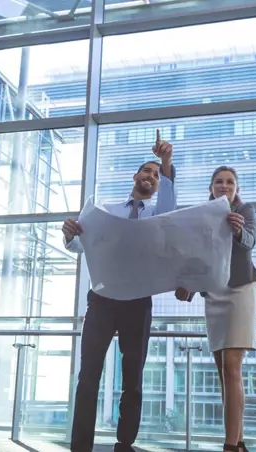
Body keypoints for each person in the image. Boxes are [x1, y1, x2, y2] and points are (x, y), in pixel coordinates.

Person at [63, 130, 177, 452]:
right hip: (102, 300)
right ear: (135, 176)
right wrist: (69, 234)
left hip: (138, 302)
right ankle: (80, 446)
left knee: (133, 380)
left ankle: (124, 444)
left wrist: (166, 162)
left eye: (156, 176)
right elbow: (78, 245)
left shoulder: (158, 216)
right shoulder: (106, 210)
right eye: (147, 171)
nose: (151, 177)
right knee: (88, 377)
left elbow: (170, 204)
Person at [175, 166, 256, 452]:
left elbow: (250, 242)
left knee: (231, 367)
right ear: (211, 187)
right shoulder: (203, 215)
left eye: (230, 182)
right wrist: (187, 284)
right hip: (214, 294)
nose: (224, 186)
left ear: (237, 188)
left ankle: (228, 445)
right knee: (223, 373)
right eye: (219, 182)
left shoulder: (245, 210)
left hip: (239, 291)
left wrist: (238, 232)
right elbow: (197, 255)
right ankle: (239, 441)